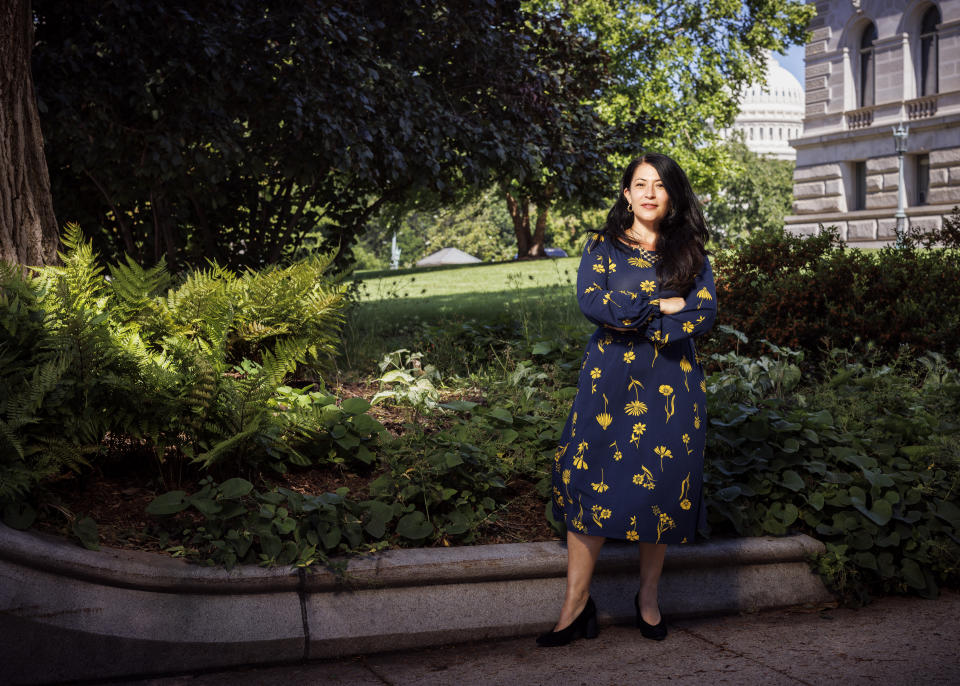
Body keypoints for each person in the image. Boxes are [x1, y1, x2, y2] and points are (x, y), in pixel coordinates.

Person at [537, 153, 717, 647]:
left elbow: (704, 311)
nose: (650, 192)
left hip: (673, 383)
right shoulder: (602, 246)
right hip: (608, 383)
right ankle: (575, 606)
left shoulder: (689, 249)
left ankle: (649, 599)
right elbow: (592, 302)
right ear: (626, 193)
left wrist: (634, 312)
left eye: (660, 185)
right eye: (640, 184)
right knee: (589, 478)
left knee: (659, 486)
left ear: (672, 195)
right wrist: (660, 303)